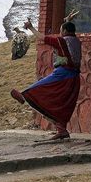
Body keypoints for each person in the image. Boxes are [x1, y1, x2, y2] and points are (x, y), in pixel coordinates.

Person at [11, 9, 81, 140]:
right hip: (75, 78)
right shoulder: (76, 41)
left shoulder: (61, 41)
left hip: (63, 75)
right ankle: (62, 130)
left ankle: (24, 95)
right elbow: (66, 29)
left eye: (61, 30)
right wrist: (68, 21)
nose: (60, 32)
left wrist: (31, 27)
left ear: (64, 32)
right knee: (60, 104)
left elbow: (42, 38)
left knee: (40, 88)